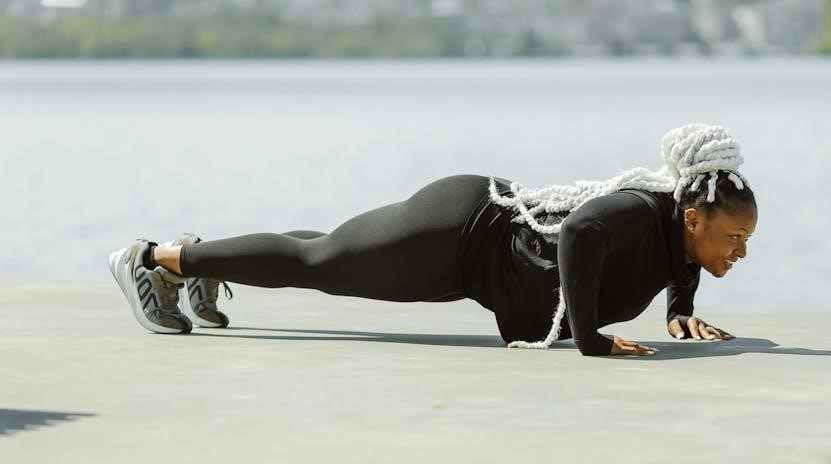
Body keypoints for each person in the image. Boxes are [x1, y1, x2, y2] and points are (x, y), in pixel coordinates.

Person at [108, 123, 758, 357]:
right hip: (463, 230)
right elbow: (583, 229)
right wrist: (590, 340)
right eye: (734, 236)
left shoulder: (675, 237)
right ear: (693, 218)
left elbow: (676, 260)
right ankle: (156, 260)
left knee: (327, 255)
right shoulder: (641, 209)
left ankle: (206, 255)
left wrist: (679, 311)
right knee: (320, 261)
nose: (741, 251)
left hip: (469, 266)